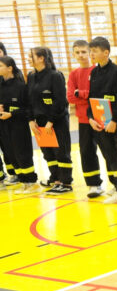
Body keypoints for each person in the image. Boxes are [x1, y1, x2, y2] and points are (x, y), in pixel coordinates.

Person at [26, 47, 73, 194]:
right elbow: (29, 100)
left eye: (31, 56)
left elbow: (60, 102)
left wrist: (51, 121)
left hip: (56, 121)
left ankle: (65, 183)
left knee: (61, 152)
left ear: (41, 58)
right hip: (40, 122)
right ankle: (56, 179)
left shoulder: (55, 76)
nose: (28, 58)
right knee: (48, 153)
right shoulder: (32, 76)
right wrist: (31, 120)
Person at [87, 36, 117, 203]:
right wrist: (90, 118)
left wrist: (115, 120)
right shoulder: (94, 72)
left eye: (95, 51)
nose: (92, 54)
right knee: (108, 156)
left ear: (106, 52)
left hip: (114, 124)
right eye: (91, 51)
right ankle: (115, 186)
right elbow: (91, 98)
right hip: (99, 123)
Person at [65, 39, 103, 197]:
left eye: (83, 52)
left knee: (109, 152)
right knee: (86, 152)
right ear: (73, 55)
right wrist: (86, 95)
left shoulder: (98, 71)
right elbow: (70, 98)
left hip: (101, 117)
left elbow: (99, 94)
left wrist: (80, 93)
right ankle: (94, 185)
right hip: (83, 120)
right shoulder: (74, 74)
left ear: (90, 53)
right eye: (77, 52)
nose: (81, 55)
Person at [0, 55, 39, 192]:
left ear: (10, 68)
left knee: (22, 152)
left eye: (0, 66)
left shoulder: (21, 86)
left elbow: (27, 108)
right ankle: (23, 181)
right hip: (3, 125)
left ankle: (31, 181)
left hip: (18, 125)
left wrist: (11, 114)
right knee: (11, 153)